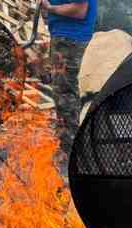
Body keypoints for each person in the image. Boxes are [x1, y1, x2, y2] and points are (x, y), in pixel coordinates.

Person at [41, 0, 97, 178]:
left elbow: (79, 10)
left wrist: (51, 9)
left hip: (69, 40)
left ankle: (71, 159)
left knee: (65, 98)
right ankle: (72, 151)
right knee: (64, 95)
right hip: (65, 38)